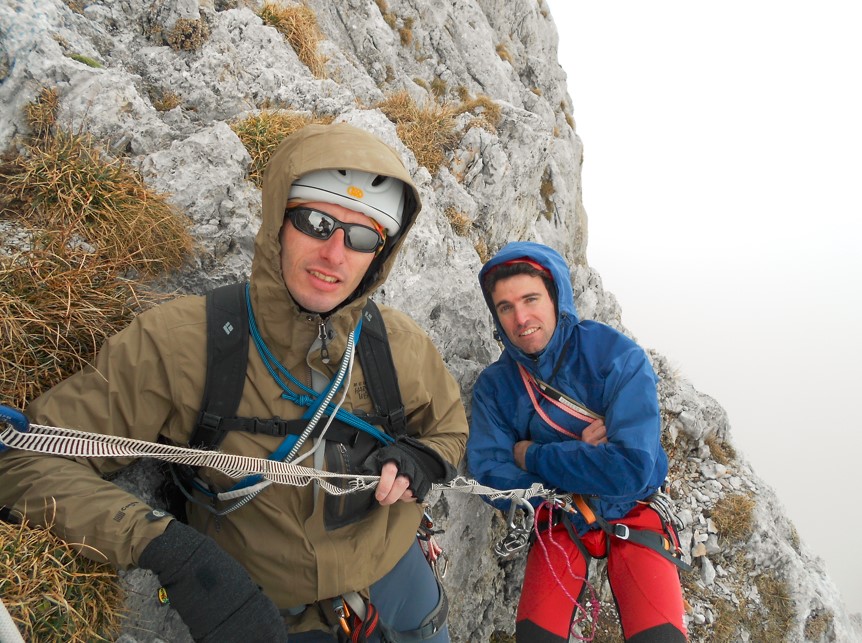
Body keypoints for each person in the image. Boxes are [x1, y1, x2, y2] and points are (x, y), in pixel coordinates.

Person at [0, 123, 468, 642]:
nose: (335, 255)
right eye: (316, 222)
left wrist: (424, 458)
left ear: (379, 255)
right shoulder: (181, 344)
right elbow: (24, 460)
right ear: (277, 222)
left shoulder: (397, 344)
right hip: (267, 612)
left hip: (400, 582)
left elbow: (448, 427)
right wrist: (169, 549)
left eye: (362, 238)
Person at [466, 241, 687, 643]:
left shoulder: (617, 357)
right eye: (506, 307)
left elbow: (630, 469)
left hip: (633, 508)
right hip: (559, 516)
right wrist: (581, 464)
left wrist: (532, 454)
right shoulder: (495, 387)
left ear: (556, 298)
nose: (521, 318)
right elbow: (490, 474)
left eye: (531, 299)